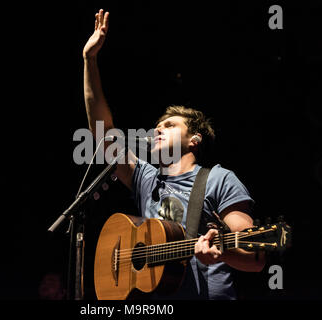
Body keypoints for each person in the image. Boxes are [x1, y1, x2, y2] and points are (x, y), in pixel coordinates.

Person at [82, 9, 265, 300]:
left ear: (194, 139)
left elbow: (255, 258)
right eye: (157, 125)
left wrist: (222, 254)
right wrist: (89, 60)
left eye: (169, 125)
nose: (158, 129)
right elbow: (102, 130)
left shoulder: (219, 179)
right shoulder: (146, 177)